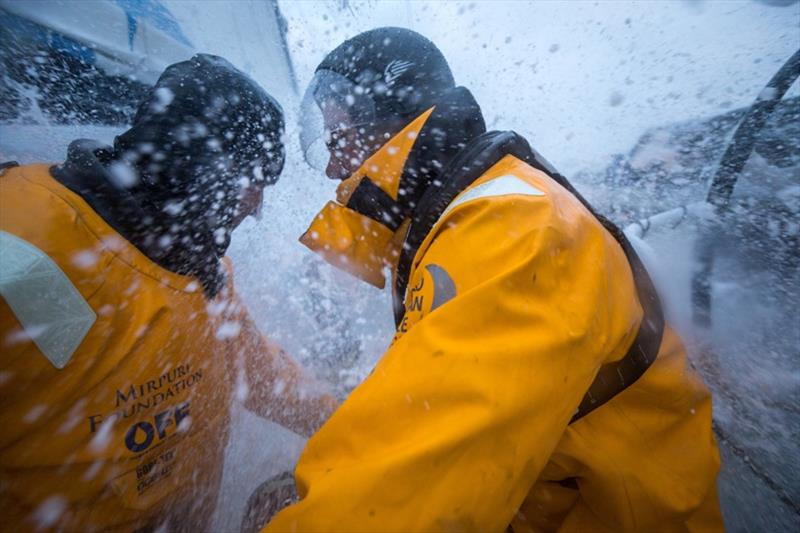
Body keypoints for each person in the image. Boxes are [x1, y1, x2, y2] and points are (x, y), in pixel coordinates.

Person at [265, 28, 723, 532]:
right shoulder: (468, 217)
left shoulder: (515, 230)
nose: (332, 168)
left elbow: (410, 485)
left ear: (388, 125)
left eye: (338, 137)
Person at [0, 54, 335, 532]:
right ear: (205, 166)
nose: (257, 209)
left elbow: (259, 375)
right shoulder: (25, 243)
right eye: (253, 185)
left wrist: (351, 424)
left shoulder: (200, 266)